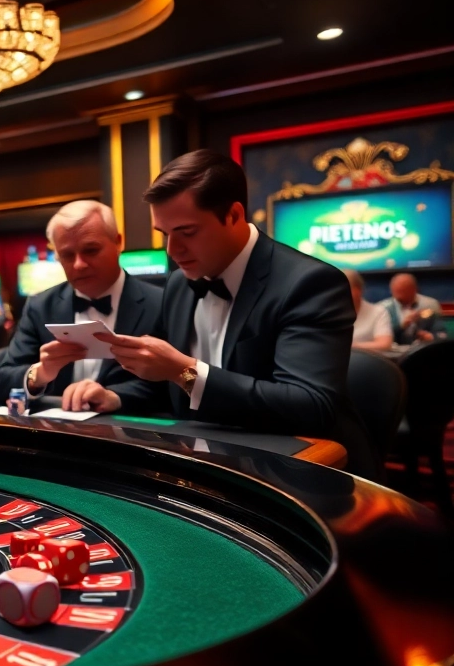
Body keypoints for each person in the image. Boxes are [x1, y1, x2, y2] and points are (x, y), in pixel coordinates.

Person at [99, 150, 376, 478]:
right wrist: (112, 396)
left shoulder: (310, 283)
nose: (173, 251)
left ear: (233, 215)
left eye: (187, 232)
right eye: (165, 234)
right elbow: (165, 382)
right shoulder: (178, 284)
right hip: (207, 467)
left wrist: (186, 369)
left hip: (307, 472)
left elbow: (310, 406)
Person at [0, 200, 164, 413]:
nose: (79, 264)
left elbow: (171, 385)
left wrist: (114, 397)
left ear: (118, 243)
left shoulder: (162, 303)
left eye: (91, 250)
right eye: (68, 255)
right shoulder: (40, 306)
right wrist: (40, 374)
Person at [379, 273, 445, 345]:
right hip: (395, 352)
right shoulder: (383, 308)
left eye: (403, 292)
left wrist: (431, 337)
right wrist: (401, 326)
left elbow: (442, 334)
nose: (398, 298)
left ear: (414, 290)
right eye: (395, 293)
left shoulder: (430, 304)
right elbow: (380, 339)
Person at [343, 269, 393, 352]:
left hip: (367, 361)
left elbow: (384, 344)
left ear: (359, 289)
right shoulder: (326, 312)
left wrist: (352, 346)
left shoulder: (378, 312)